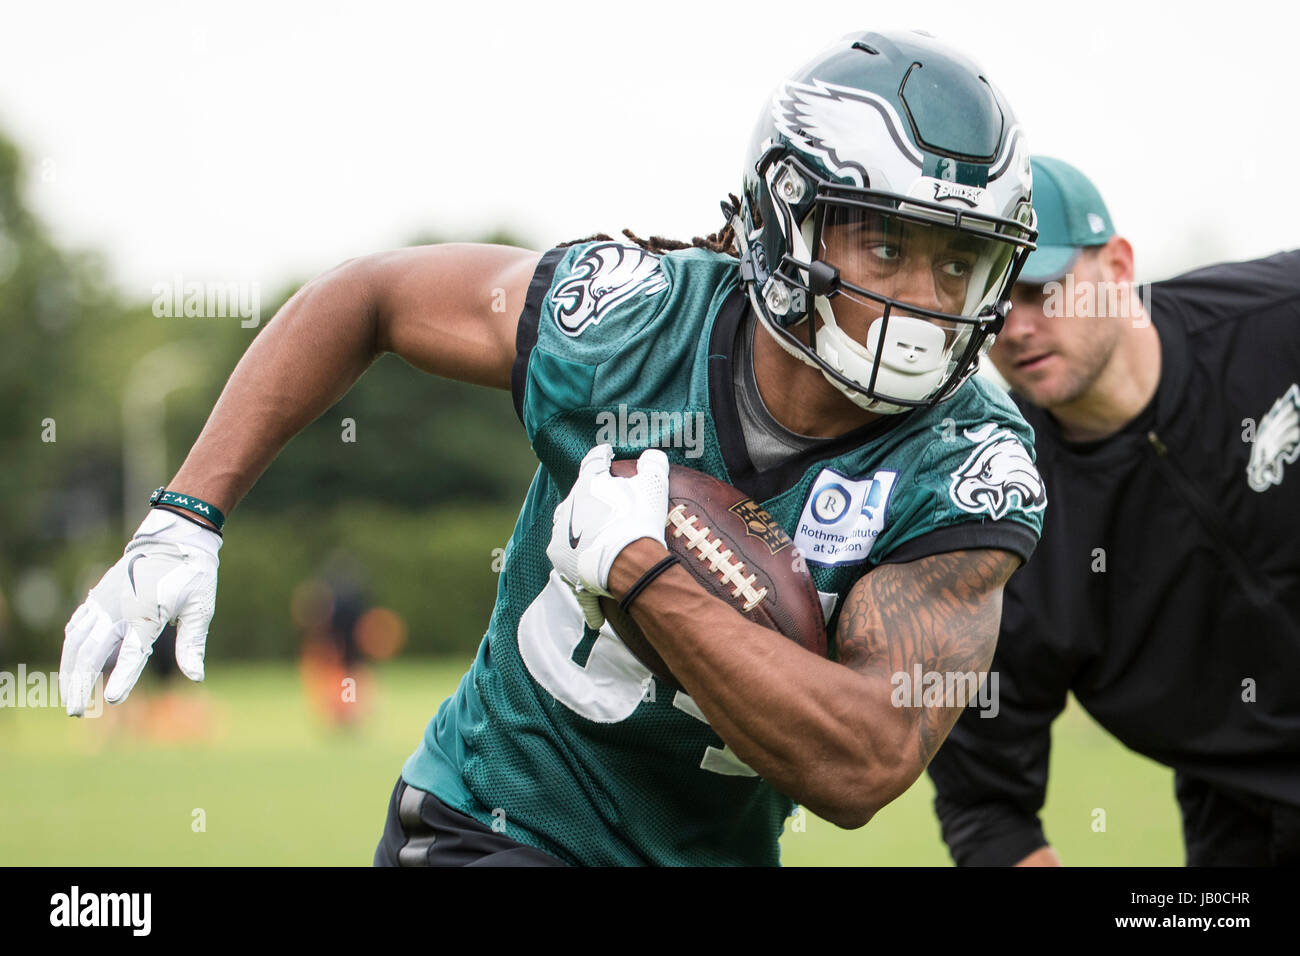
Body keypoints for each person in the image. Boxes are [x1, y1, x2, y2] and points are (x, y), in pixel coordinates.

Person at [59, 30, 1047, 866]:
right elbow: (367, 295)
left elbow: (861, 763)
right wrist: (185, 514)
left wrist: (642, 571)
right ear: (790, 217)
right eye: (887, 248)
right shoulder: (626, 322)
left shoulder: (965, 462)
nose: (923, 300)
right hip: (496, 824)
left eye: (959, 261)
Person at [926, 156, 1300, 866]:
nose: (1017, 328)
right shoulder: (1002, 521)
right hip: (1250, 834)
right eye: (994, 302)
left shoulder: (1277, 319)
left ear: (1118, 266)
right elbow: (986, 807)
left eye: (1042, 289)